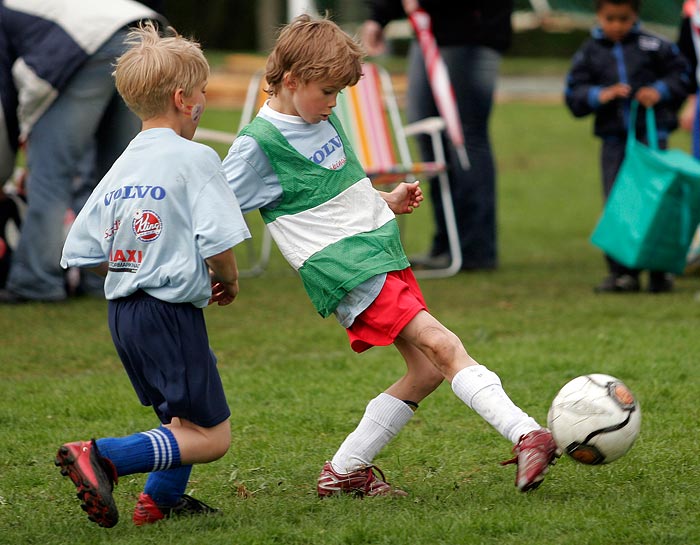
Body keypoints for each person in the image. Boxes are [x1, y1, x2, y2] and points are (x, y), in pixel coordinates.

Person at [223, 13, 559, 498]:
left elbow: (332, 195)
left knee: (425, 371)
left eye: (339, 93)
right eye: (327, 92)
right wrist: (211, 273)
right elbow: (214, 215)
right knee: (443, 345)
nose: (333, 103)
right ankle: (528, 434)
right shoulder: (259, 146)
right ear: (292, 81)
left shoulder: (318, 114)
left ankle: (342, 473)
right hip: (346, 269)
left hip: (379, 251)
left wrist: (383, 200)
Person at [55, 22, 251, 528]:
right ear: (186, 99)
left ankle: (157, 503)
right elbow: (221, 243)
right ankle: (103, 457)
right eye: (203, 92)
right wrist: (226, 280)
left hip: (123, 312)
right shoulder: (195, 157)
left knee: (179, 420)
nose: (205, 100)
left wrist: (134, 263)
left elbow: (83, 246)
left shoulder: (121, 165)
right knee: (212, 436)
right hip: (168, 312)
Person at [0, 0, 166, 304]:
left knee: (50, 176)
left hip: (90, 45)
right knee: (120, 177)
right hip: (142, 32)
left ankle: (36, 281)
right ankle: (105, 276)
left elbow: (5, 97)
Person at [360, 0, 514, 271]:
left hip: (471, 31)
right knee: (427, 135)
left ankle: (476, 249)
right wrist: (380, 17)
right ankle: (447, 244)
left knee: (464, 138)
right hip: (429, 32)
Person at [564, 0, 690, 293]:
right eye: (610, 18)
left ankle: (660, 271)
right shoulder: (589, 52)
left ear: (636, 15)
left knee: (658, 204)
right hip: (614, 143)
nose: (617, 25)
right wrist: (600, 95)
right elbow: (574, 93)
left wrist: (658, 91)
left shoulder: (656, 45)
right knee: (619, 205)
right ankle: (623, 274)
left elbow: (683, 76)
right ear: (598, 16)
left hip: (652, 139)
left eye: (624, 18)